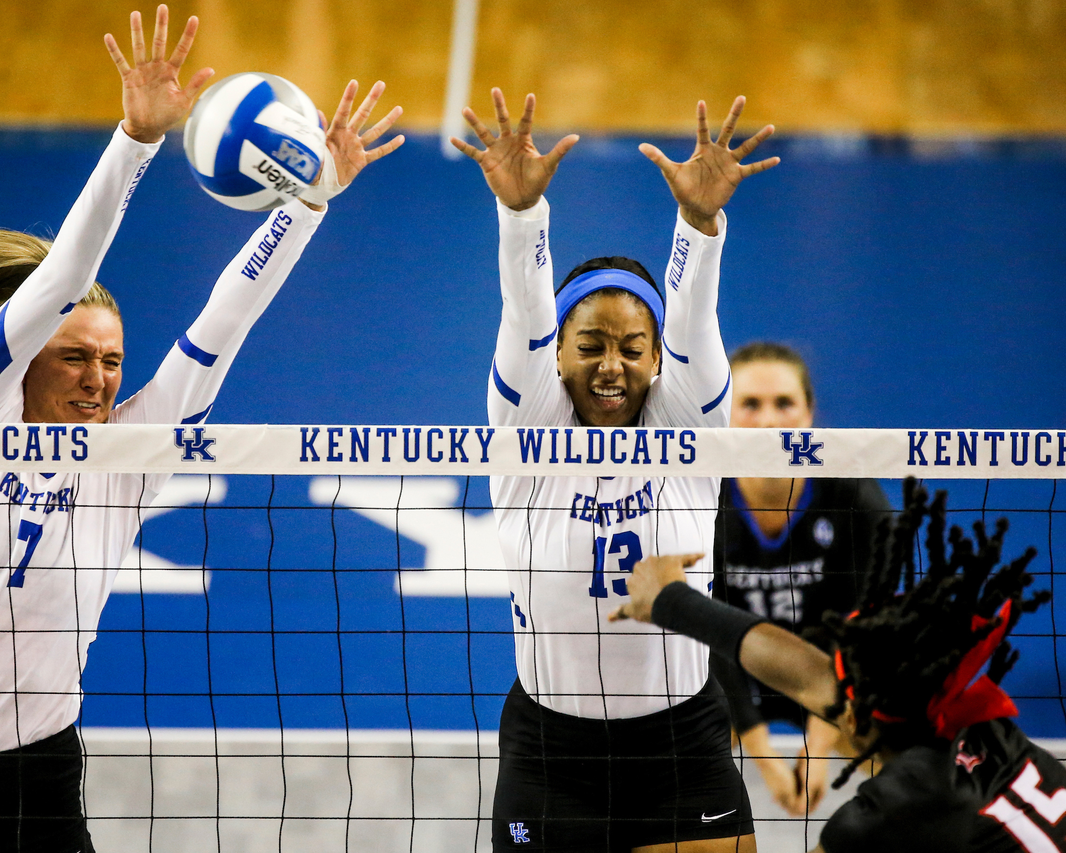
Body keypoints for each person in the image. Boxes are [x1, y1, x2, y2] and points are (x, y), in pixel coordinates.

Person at [0, 7, 403, 852]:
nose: (98, 379)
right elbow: (67, 274)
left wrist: (310, 203)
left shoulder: (127, 461)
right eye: (74, 357)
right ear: (25, 360)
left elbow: (224, 321)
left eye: (111, 361)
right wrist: (136, 139)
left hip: (37, 771)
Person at [451, 90, 778, 852]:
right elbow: (521, 312)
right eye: (590, 344)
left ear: (657, 360)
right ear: (558, 354)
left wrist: (698, 226)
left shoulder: (688, 420)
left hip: (681, 747)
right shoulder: (527, 425)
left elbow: (695, 316)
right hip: (550, 751)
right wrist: (522, 218)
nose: (611, 365)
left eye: (632, 347)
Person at [610, 478, 1064, 853]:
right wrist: (675, 602)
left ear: (852, 715)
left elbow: (821, 683)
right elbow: (810, 676)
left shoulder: (890, 810)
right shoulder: (995, 733)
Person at [711, 341, 893, 815]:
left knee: (898, 735)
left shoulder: (853, 493)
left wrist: (817, 748)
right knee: (680, 719)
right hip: (735, 669)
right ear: (723, 414)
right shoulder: (700, 498)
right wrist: (766, 759)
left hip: (827, 668)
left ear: (809, 412)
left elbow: (857, 631)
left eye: (784, 403)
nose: (769, 422)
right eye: (750, 404)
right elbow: (707, 639)